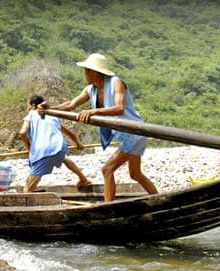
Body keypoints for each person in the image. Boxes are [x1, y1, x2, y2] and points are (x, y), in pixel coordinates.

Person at [39, 53, 158, 201]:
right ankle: (160, 199)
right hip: (126, 136)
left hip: (134, 132)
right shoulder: (91, 89)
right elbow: (71, 104)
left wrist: (94, 111)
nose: (85, 74)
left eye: (87, 71)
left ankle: (108, 208)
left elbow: (119, 108)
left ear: (95, 72)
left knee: (107, 169)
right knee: (135, 174)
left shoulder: (116, 83)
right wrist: (50, 109)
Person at [19, 95, 91, 193]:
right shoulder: (52, 116)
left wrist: (30, 149)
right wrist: (78, 144)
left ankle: (30, 191)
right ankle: (84, 180)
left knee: (26, 190)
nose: (27, 107)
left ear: (32, 105)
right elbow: (70, 133)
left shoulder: (31, 114)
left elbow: (22, 133)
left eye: (28, 105)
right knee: (62, 157)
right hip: (59, 147)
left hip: (43, 151)